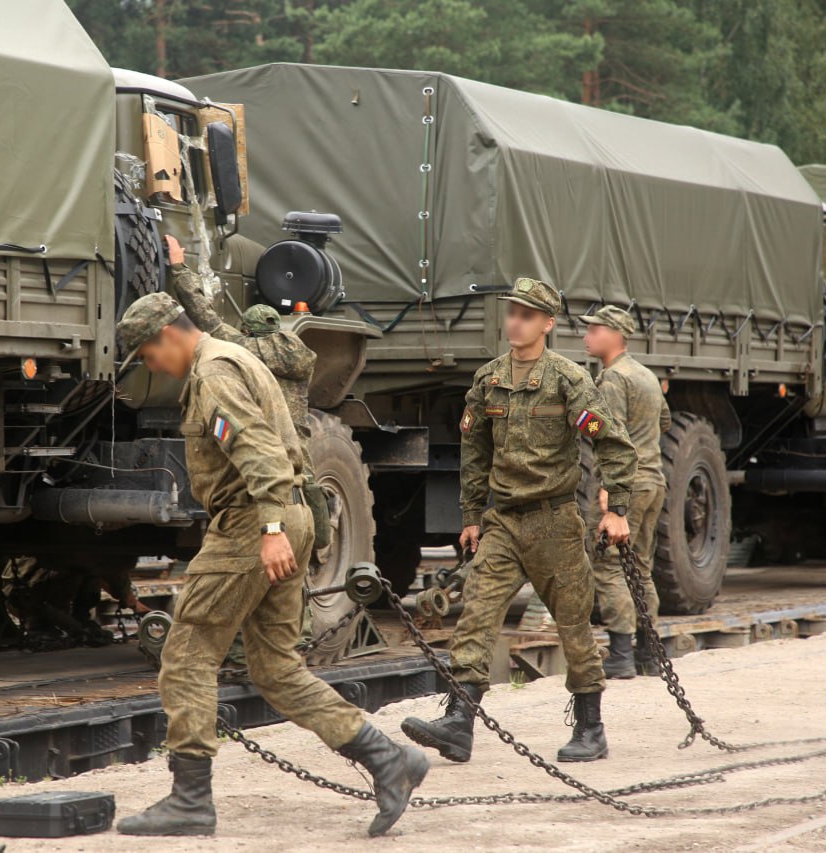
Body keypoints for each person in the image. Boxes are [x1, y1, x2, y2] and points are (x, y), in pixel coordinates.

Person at [112, 292, 427, 837]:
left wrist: (271, 529)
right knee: (276, 668)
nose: (150, 366)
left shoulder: (212, 375)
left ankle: (189, 800)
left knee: (187, 652)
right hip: (290, 515)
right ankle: (387, 758)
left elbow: (257, 448)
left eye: (145, 355)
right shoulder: (235, 358)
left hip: (253, 524)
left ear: (166, 336)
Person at [401, 277, 637, 765]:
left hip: (555, 523)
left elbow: (612, 442)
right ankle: (459, 722)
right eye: (512, 313)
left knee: (573, 626)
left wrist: (616, 511)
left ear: (547, 324)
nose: (515, 321)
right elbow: (475, 450)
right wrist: (470, 515)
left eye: (527, 315)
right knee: (477, 615)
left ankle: (591, 728)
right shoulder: (489, 379)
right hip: (504, 522)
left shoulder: (568, 379)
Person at [164, 235, 332, 550]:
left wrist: (178, 267)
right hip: (296, 443)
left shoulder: (243, 347)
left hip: (262, 440)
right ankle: (320, 543)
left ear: (246, 329)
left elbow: (203, 314)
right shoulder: (297, 351)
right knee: (305, 485)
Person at [581, 305, 672, 678]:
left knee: (610, 566)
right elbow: (664, 420)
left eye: (595, 329)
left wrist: (609, 493)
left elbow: (610, 437)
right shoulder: (646, 375)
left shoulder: (613, 379)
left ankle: (619, 655)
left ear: (615, 335)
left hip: (626, 486)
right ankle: (649, 653)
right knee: (641, 567)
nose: (587, 336)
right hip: (653, 481)